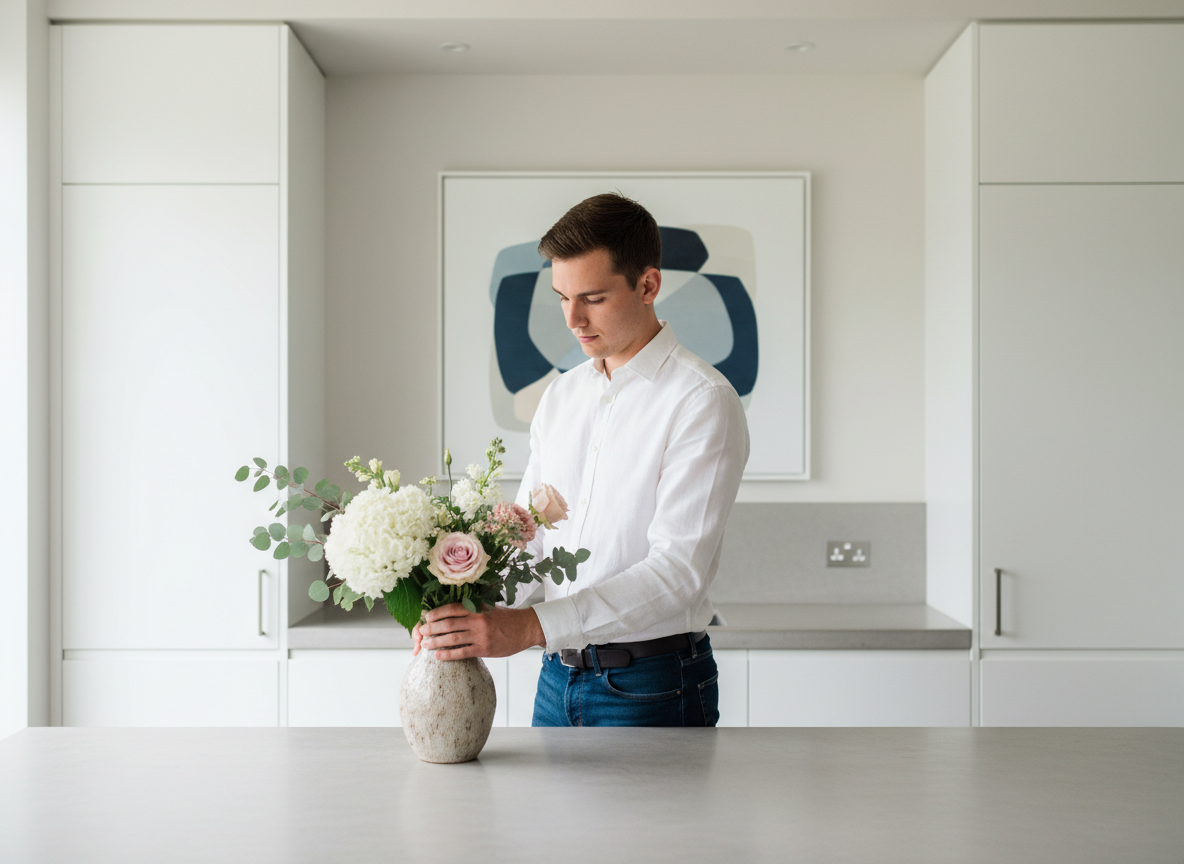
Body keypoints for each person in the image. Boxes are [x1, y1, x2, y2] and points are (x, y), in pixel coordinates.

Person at [413, 192, 749, 726]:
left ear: (648, 285)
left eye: (592, 297)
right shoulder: (561, 397)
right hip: (555, 681)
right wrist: (465, 610)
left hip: (652, 686)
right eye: (562, 296)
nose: (572, 318)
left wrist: (527, 627)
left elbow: (677, 571)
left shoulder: (701, 399)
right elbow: (529, 538)